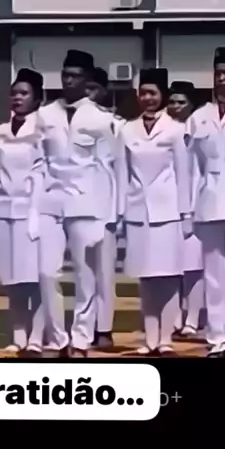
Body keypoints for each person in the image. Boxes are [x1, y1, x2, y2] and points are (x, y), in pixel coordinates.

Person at [38, 49, 114, 358]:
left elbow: (108, 169)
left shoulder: (101, 119)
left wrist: (107, 215)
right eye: (65, 75)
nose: (68, 80)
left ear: (87, 80)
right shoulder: (45, 115)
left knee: (85, 276)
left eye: (75, 76)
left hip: (86, 205)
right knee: (47, 273)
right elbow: (38, 162)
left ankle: (81, 339)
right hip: (50, 203)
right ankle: (57, 340)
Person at [116, 68, 192, 356]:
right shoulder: (127, 129)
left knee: (169, 277)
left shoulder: (176, 129)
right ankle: (149, 339)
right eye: (143, 93)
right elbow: (121, 174)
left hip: (168, 212)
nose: (148, 98)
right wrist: (120, 212)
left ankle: (165, 338)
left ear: (163, 95)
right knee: (145, 277)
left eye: (153, 93)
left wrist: (186, 214)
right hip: (137, 212)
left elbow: (183, 174)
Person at [0, 68, 45, 358]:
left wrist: (38, 213)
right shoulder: (0, 131)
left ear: (37, 98)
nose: (18, 98)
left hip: (33, 210)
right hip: (4, 210)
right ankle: (18, 335)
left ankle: (37, 337)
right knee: (12, 280)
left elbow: (45, 173)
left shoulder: (43, 130)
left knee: (35, 278)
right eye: (14, 93)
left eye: (24, 93)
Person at [186, 47, 225, 357]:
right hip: (209, 202)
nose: (221, 78)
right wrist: (188, 209)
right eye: (218, 73)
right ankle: (218, 338)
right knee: (214, 277)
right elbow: (192, 167)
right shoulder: (199, 117)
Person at [85, 67, 125, 349]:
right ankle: (83, 327)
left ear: (102, 91)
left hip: (106, 207)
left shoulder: (116, 124)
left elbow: (122, 169)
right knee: (81, 272)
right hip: (75, 206)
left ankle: (104, 328)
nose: (87, 94)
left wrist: (120, 210)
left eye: (92, 89)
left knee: (104, 271)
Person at [167, 80, 206, 340]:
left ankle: (192, 318)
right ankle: (174, 318)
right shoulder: (162, 129)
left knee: (193, 267)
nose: (176, 106)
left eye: (181, 102)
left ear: (191, 105)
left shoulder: (198, 130)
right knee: (171, 267)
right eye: (172, 101)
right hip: (166, 205)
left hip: (195, 203)